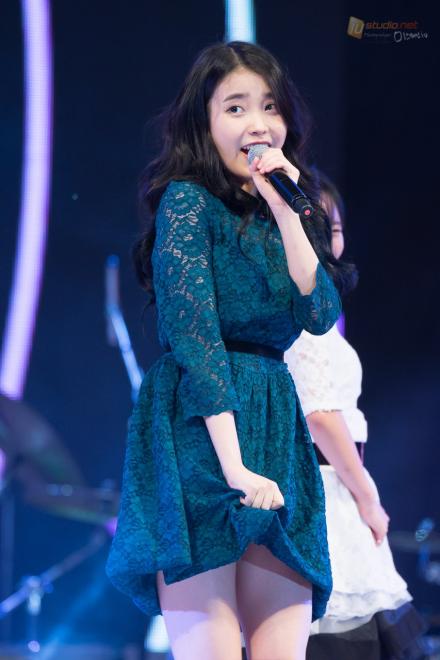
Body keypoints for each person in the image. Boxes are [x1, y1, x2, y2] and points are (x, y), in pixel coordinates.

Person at [106, 42, 355, 660]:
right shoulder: (188, 203)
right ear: (206, 121)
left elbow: (319, 313)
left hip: (273, 415)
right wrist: (235, 468)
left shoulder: (286, 209)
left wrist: (287, 211)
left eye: (269, 107)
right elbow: (196, 341)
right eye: (236, 107)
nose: (257, 124)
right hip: (202, 429)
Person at [285, 173, 426, 660]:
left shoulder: (323, 308)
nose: (328, 238)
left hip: (339, 487)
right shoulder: (296, 306)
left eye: (335, 227)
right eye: (315, 225)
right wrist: (367, 496)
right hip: (324, 490)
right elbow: (320, 416)